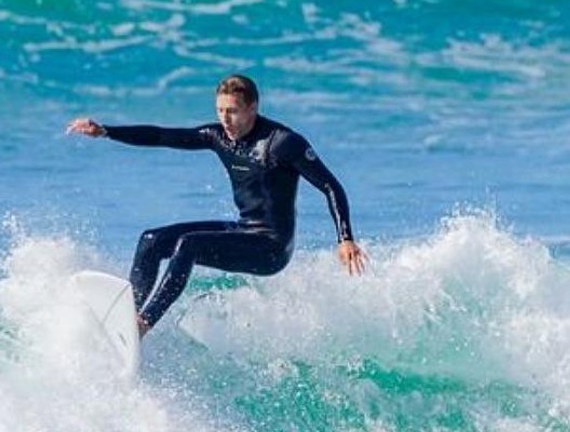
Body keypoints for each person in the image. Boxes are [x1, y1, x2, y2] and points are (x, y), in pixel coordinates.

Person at [66, 74, 367, 338]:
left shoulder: (283, 142)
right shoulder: (218, 137)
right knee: (151, 241)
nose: (225, 119)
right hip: (244, 231)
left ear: (253, 108)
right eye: (220, 110)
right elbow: (161, 135)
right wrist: (106, 131)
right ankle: (126, 316)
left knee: (189, 245)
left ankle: (143, 324)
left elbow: (330, 186)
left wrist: (345, 238)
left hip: (270, 249)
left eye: (233, 111)